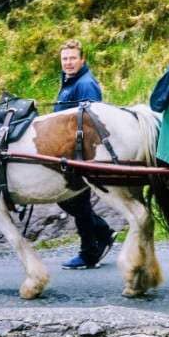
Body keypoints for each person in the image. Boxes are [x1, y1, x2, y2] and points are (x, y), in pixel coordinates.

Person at [54, 39, 115, 271]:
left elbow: (90, 121)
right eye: (64, 59)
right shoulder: (70, 82)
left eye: (72, 58)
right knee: (71, 200)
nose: (68, 63)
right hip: (66, 149)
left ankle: (90, 250)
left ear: (82, 60)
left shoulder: (86, 84)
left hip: (79, 153)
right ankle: (102, 234)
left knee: (75, 200)